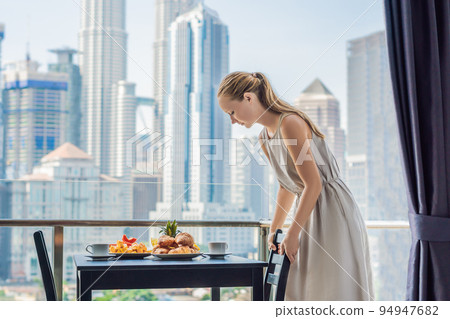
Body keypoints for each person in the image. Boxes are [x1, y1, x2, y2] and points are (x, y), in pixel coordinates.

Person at [217, 71, 374, 301]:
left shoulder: (289, 123)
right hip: (309, 209)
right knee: (306, 288)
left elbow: (314, 184)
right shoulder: (264, 138)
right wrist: (275, 228)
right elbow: (286, 186)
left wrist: (292, 232)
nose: (232, 120)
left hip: (331, 209)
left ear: (248, 98)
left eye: (232, 111)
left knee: (332, 287)